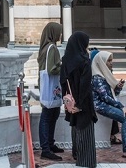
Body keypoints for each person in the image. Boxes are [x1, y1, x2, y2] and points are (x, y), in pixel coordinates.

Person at [60, 31, 97, 168]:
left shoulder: (66, 60)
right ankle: (86, 161)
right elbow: (85, 85)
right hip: (82, 102)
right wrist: (81, 104)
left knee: (75, 127)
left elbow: (63, 81)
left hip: (71, 101)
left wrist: (67, 102)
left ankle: (77, 154)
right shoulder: (84, 61)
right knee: (85, 129)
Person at [38, 22, 64, 161]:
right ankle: (46, 148)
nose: (60, 34)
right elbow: (52, 70)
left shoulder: (44, 48)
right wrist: (63, 66)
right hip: (51, 87)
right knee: (48, 116)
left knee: (52, 114)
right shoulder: (52, 48)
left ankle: (49, 144)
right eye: (59, 32)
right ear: (53, 32)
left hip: (46, 86)